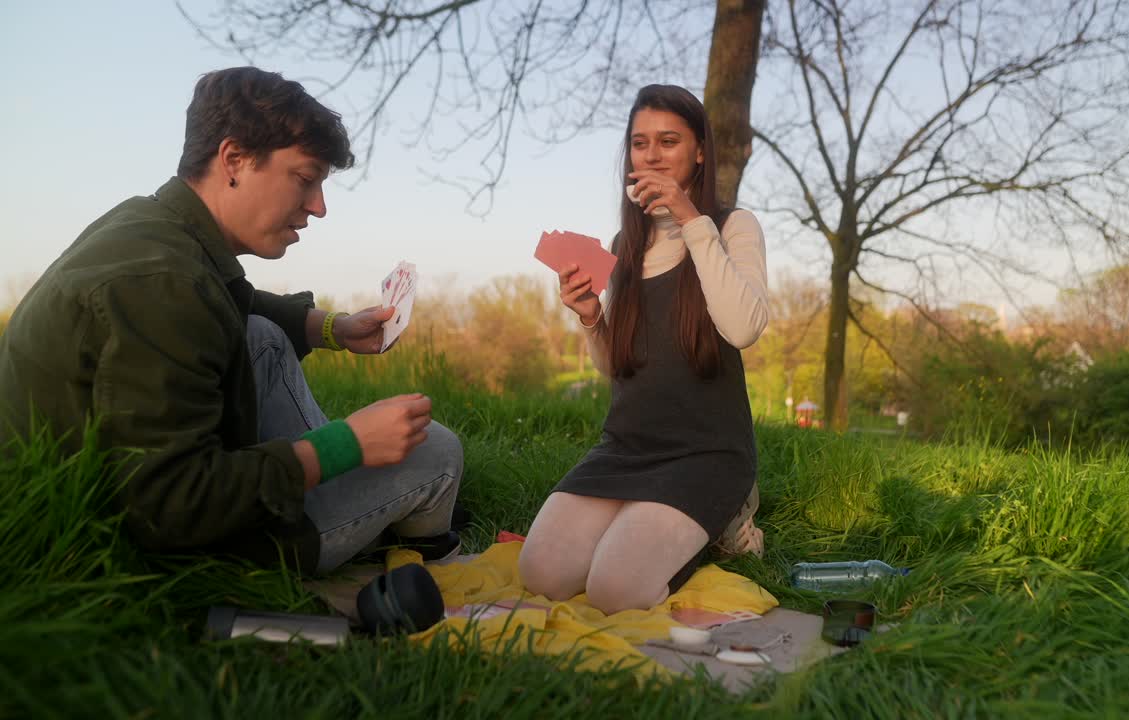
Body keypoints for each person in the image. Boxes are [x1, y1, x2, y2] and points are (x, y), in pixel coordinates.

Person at [0, 67, 462, 575]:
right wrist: (344, 446)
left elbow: (230, 301)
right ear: (234, 160)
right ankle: (414, 552)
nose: (319, 207)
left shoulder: (151, 227)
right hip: (154, 541)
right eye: (306, 180)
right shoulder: (165, 288)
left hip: (111, 481)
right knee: (435, 449)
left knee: (259, 335)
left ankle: (356, 504)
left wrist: (334, 328)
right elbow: (170, 504)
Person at [518, 84, 769, 614]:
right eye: (639, 143)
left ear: (700, 151)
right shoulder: (622, 247)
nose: (651, 154)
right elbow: (620, 368)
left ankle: (724, 522)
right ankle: (644, 520)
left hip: (705, 452)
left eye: (668, 140)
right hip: (628, 448)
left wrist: (691, 221)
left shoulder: (730, 227)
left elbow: (743, 328)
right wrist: (592, 319)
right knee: (543, 575)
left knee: (617, 590)